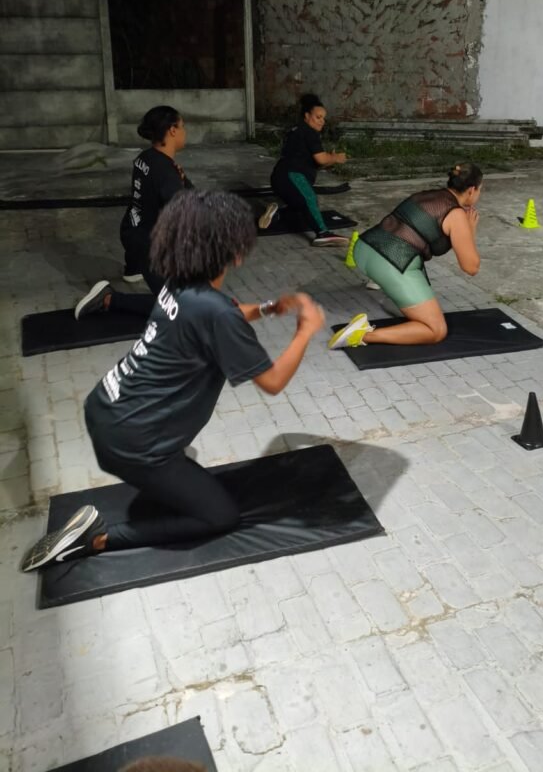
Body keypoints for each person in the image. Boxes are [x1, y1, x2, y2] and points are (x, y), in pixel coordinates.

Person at [21, 191, 325, 572]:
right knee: (220, 516)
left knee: (179, 463)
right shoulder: (216, 313)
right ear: (235, 253)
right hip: (132, 443)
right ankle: (95, 539)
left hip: (106, 407)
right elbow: (274, 381)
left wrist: (269, 308)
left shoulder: (179, 285)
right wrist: (305, 331)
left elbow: (228, 312)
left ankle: (161, 473)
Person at [329, 162, 482, 349]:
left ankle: (380, 280)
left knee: (407, 250)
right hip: (389, 262)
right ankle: (362, 334)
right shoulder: (456, 214)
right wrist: (469, 230)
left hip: (365, 248)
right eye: (480, 189)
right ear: (472, 190)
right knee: (435, 330)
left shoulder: (428, 195)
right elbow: (471, 267)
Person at [74, 106, 193, 321]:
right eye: (182, 126)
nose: (185, 132)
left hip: (131, 231)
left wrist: (183, 182)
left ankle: (133, 269)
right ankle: (109, 298)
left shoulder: (145, 158)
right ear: (172, 130)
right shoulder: (167, 173)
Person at [260, 92, 349, 245]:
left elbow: (316, 163)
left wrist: (330, 160)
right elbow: (321, 159)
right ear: (307, 116)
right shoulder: (309, 132)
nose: (322, 122)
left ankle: (276, 213)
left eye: (323, 118)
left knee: (302, 210)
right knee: (310, 199)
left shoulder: (295, 130)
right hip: (293, 177)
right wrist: (336, 158)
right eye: (318, 117)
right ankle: (323, 233)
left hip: (279, 178)